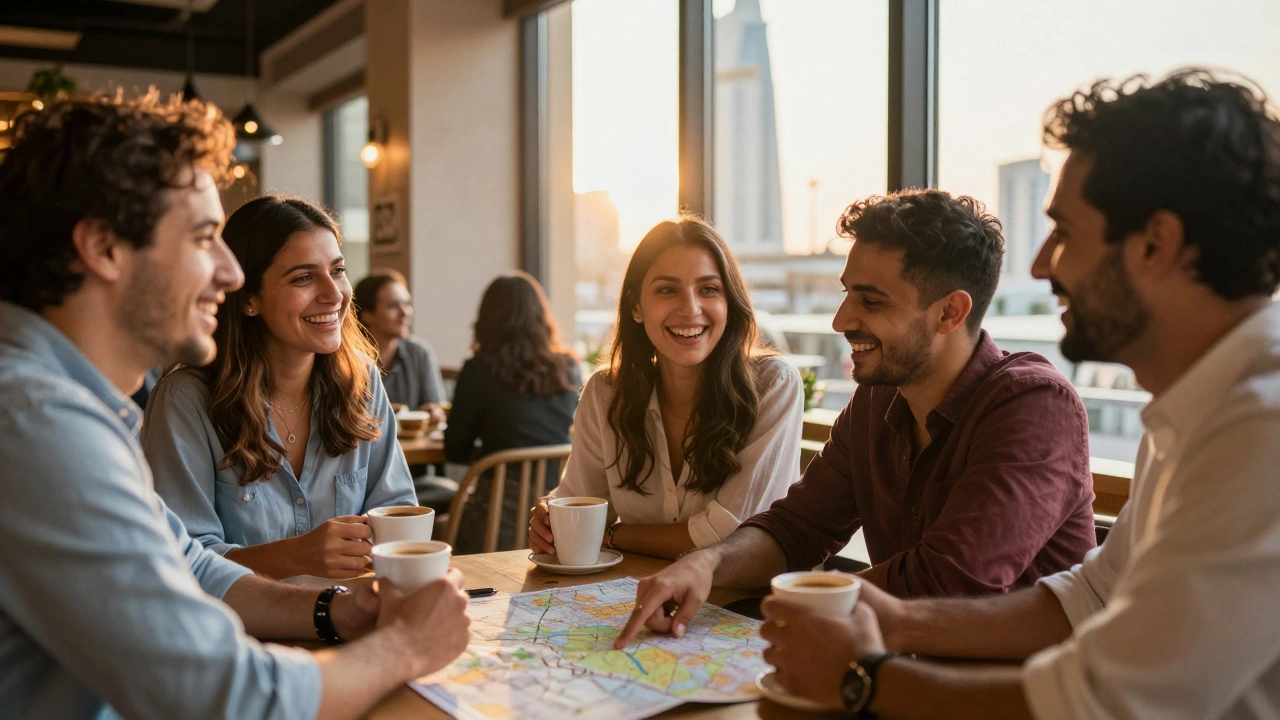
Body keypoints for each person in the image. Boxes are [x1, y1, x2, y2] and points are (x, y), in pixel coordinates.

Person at [734, 69, 1280, 718]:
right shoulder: (1191, 411)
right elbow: (1093, 598)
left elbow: (1110, 702)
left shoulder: (1260, 427)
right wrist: (897, 622)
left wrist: (863, 681)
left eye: (1066, 232)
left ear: (1156, 243)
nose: (1042, 264)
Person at [0, 92, 469, 719]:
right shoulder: (36, 424)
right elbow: (226, 697)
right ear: (105, 248)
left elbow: (187, 562)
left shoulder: (68, 407)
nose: (227, 271)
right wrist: (405, 647)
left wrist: (335, 609)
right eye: (202, 238)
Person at [614, 189, 1099, 641]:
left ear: (950, 313)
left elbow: (952, 582)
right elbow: (797, 530)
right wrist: (705, 565)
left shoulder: (1034, 406)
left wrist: (801, 602)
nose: (841, 320)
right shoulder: (880, 398)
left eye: (870, 300)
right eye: (847, 293)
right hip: (904, 673)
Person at [142, 195, 418, 580]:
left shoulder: (363, 381)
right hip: (239, 633)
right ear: (249, 299)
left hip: (352, 619)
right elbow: (179, 561)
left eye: (337, 270)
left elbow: (398, 510)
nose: (335, 295)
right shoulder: (186, 400)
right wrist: (295, 556)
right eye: (303, 277)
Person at [529, 216, 804, 561]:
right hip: (631, 595)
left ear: (729, 303)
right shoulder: (605, 393)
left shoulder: (773, 386)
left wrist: (609, 534)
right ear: (636, 306)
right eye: (667, 290)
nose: (690, 309)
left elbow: (725, 535)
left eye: (708, 289)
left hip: (741, 605)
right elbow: (577, 501)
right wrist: (551, 516)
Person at [445, 271, 580, 553]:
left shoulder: (479, 369)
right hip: (555, 519)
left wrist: (494, 458)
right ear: (540, 317)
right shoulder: (568, 368)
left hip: (494, 519)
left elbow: (454, 450)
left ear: (488, 319)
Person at [353, 269, 447, 426]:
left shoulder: (419, 353)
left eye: (407, 304)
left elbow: (437, 407)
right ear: (367, 314)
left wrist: (435, 413)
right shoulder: (347, 359)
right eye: (393, 306)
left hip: (411, 448)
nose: (405, 312)